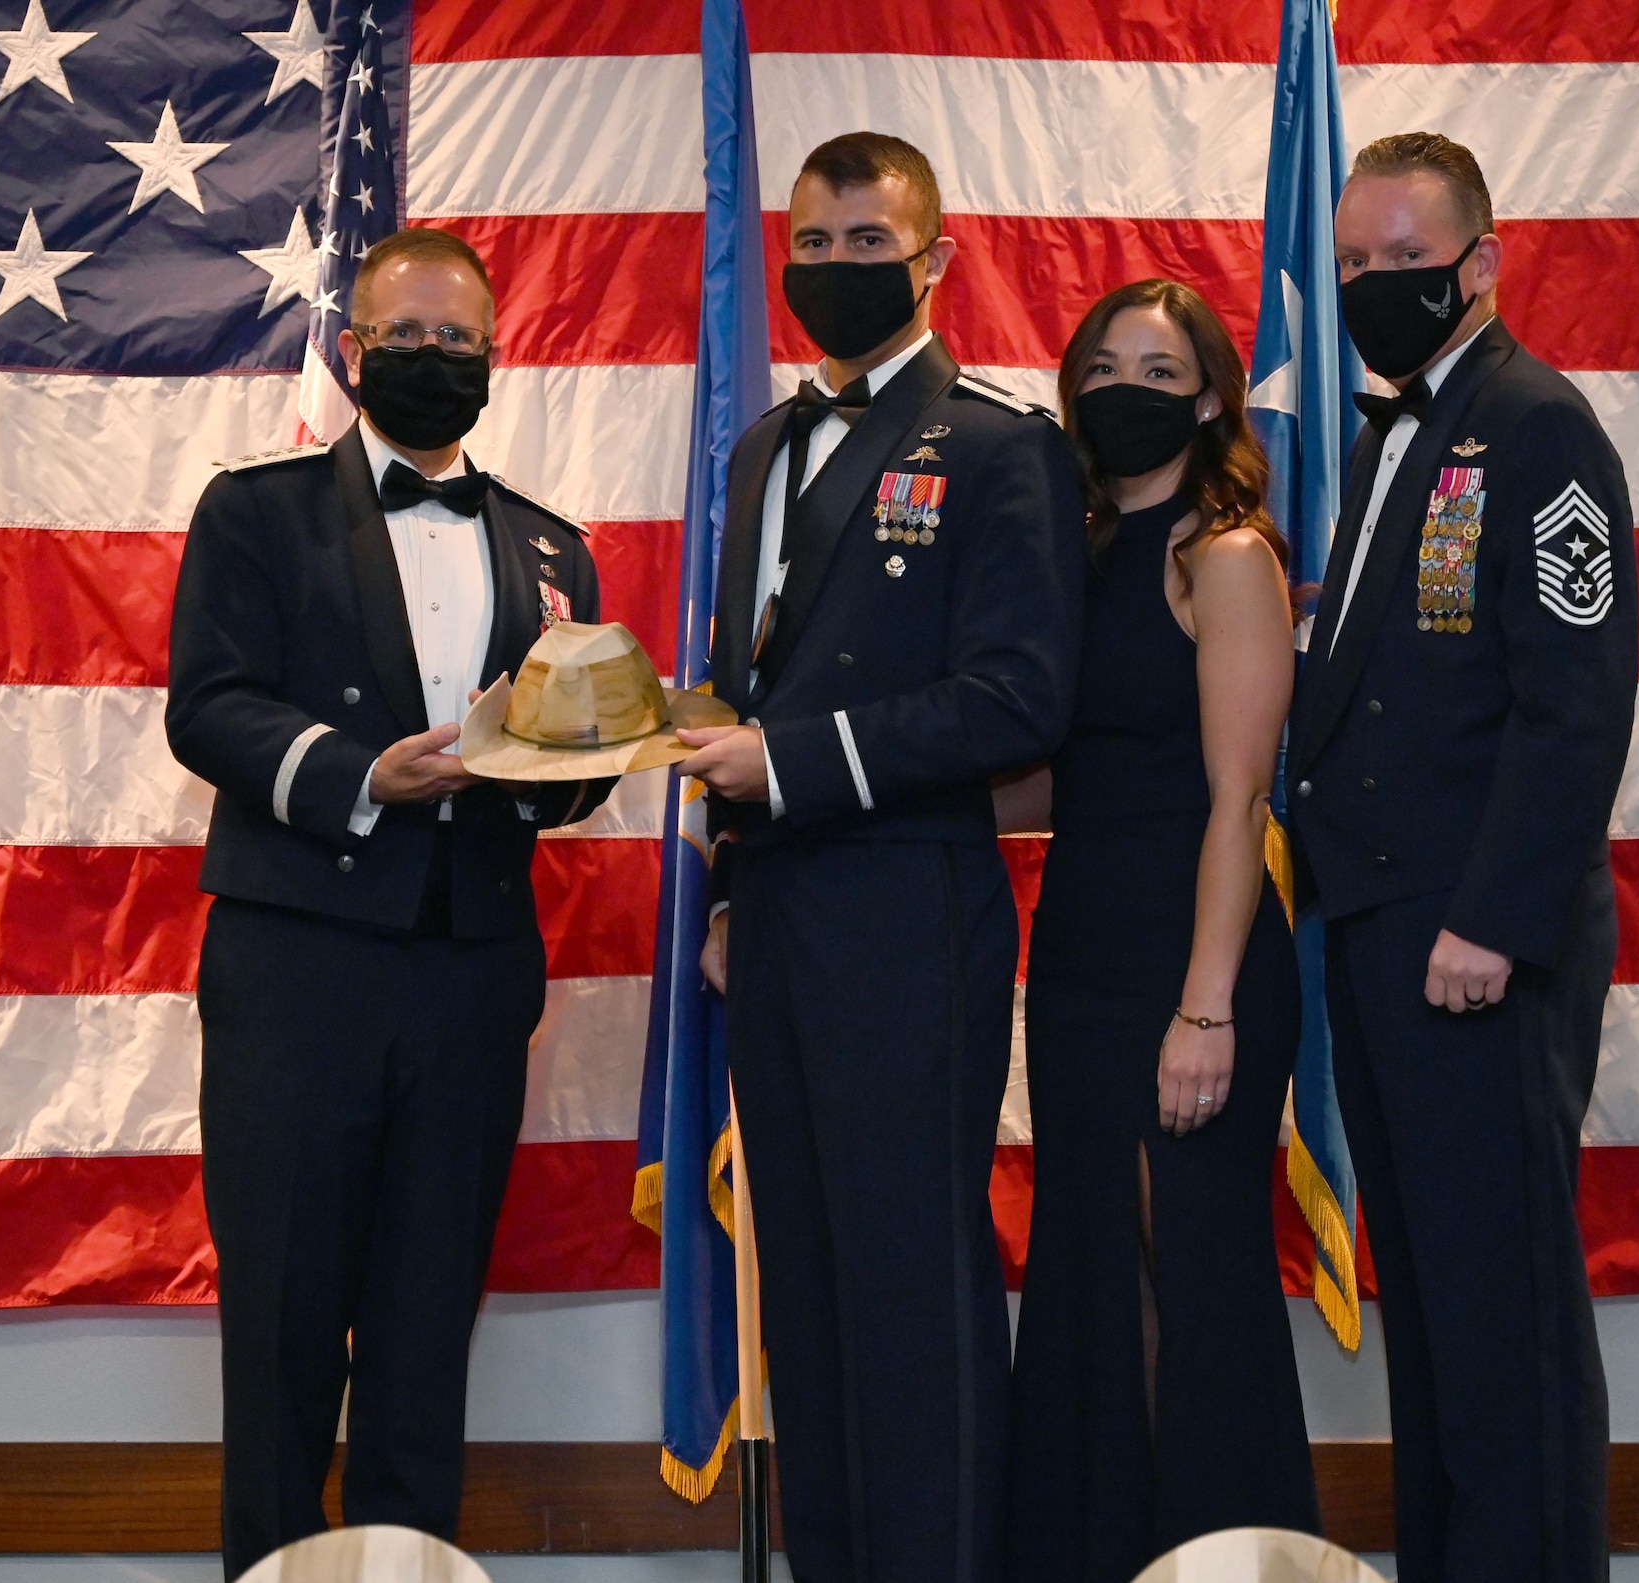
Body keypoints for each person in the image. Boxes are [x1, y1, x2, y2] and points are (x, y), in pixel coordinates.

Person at [166, 227, 617, 1579]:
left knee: (425, 1330)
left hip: (471, 981)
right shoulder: (255, 511)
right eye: (404, 337)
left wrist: (552, 770)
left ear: (494, 356)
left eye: (457, 340)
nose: (431, 358)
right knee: (289, 1329)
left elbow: (571, 771)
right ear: (354, 349)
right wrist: (372, 775)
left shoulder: (554, 549)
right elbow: (211, 709)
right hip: (296, 973)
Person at [678, 132, 1086, 1583]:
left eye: (869, 244)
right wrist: (730, 874)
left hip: (913, 906)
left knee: (915, 1294)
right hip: (778, 913)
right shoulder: (760, 450)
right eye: (816, 245)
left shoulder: (1000, 444)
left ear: (936, 259)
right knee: (818, 1294)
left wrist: (785, 770)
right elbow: (747, 686)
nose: (837, 269)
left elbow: (1019, 699)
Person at [1285, 132, 1639, 1582]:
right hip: (1383, 930)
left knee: (1509, 1333)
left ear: (1483, 264)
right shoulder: (1395, 436)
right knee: (1434, 1316)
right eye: (1357, 264)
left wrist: (1493, 921)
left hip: (1475, 942)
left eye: (1408, 265)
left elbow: (1575, 703)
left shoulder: (1538, 427)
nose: (1377, 287)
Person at [1001, 280, 1322, 1582]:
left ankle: (1224, 1561)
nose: (1126, 387)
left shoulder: (1225, 556)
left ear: (1205, 398)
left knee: (1188, 1287)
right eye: (1104, 365)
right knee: (1084, 1279)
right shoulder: (1063, 557)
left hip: (1198, 962)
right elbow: (1055, 774)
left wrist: (1206, 1007)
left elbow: (1237, 793)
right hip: (1077, 957)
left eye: (1158, 367)